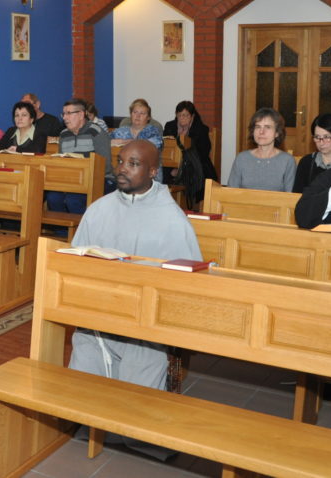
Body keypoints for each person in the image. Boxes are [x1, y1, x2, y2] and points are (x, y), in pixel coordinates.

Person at [69, 139, 201, 457]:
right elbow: (74, 261)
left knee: (141, 372)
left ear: (153, 171)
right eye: (120, 161)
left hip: (144, 323)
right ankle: (92, 422)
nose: (122, 169)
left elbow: (187, 284)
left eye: (133, 163)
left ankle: (134, 432)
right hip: (100, 314)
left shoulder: (172, 219)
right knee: (84, 349)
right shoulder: (99, 209)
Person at [45, 98, 114, 214]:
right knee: (53, 198)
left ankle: (85, 225)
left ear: (81, 114)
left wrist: (83, 175)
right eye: (63, 114)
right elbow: (62, 162)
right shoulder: (64, 135)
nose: (65, 118)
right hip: (72, 180)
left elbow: (104, 165)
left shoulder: (96, 132)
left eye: (69, 113)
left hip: (100, 179)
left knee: (73, 200)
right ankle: (64, 227)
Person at [227, 108, 296, 192]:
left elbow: (290, 196)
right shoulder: (242, 158)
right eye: (257, 127)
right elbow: (230, 193)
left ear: (277, 133)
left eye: (267, 127)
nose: (261, 132)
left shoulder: (287, 161)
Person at [163, 100, 218, 184]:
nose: (182, 118)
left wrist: (182, 169)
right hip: (172, 165)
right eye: (179, 115)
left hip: (194, 165)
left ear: (192, 116)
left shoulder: (201, 129)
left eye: (186, 115)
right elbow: (164, 150)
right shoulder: (170, 126)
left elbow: (203, 153)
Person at [292, 113, 331, 193]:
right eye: (317, 137)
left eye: (326, 137)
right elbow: (297, 194)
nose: (321, 142)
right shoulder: (306, 162)